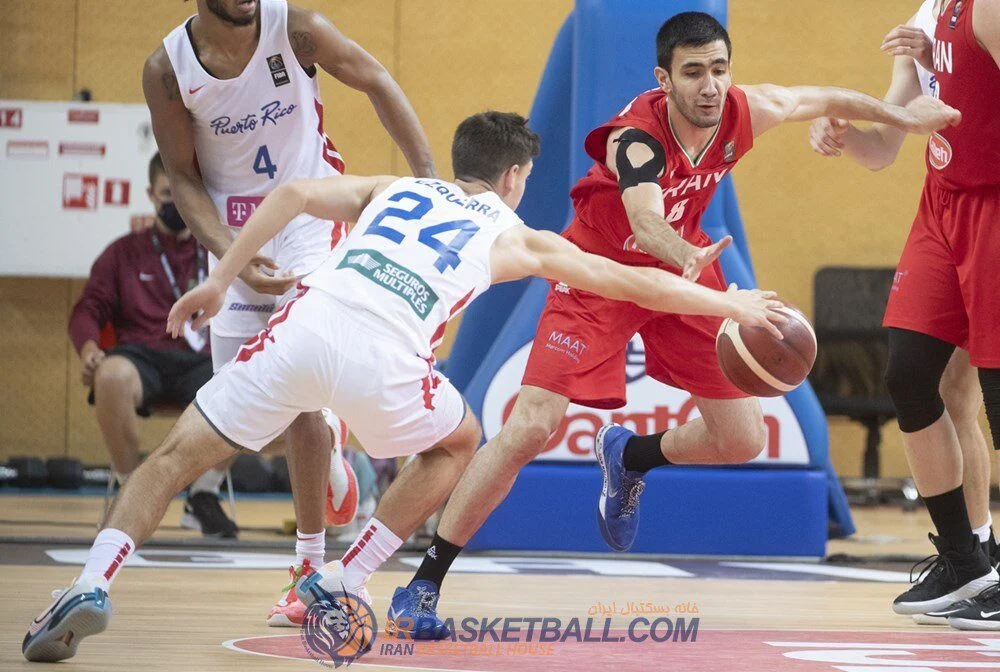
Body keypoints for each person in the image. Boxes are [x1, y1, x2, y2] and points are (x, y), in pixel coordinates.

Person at [21, 111, 791, 662]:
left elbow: (289, 197)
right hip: (385, 359)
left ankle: (92, 582)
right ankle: (341, 577)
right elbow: (629, 278)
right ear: (515, 176)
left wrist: (221, 279)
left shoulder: (393, 187)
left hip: (305, 324)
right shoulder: (513, 231)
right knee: (460, 442)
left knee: (170, 460)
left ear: (458, 161)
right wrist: (729, 301)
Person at [350, 11, 962, 639]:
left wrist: (904, 117)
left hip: (686, 273)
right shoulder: (634, 139)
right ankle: (424, 582)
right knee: (531, 425)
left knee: (742, 439)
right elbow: (644, 222)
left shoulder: (745, 110)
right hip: (600, 272)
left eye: (719, 70)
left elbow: (822, 97)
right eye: (692, 72)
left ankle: (631, 454)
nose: (709, 85)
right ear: (663, 80)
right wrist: (683, 260)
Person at [143, 0, 436, 626]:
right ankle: (330, 452)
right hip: (236, 235)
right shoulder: (167, 69)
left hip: (311, 216)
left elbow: (378, 79)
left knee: (298, 384)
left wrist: (430, 182)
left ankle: (307, 568)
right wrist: (229, 258)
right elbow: (182, 175)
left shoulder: (296, 27)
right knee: (244, 414)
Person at [808, 0, 999, 625]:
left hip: (994, 203)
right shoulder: (931, 12)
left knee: (991, 395)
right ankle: (964, 562)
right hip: (942, 203)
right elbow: (884, 148)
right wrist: (847, 133)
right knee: (910, 375)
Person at [69, 152, 236, 538]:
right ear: (150, 194)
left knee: (240, 379)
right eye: (166, 193)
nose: (175, 203)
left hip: (200, 359)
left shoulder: (218, 251)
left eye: (182, 193)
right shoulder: (123, 252)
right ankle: (132, 491)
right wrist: (89, 348)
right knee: (110, 375)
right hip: (141, 356)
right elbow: (87, 308)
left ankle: (204, 496)